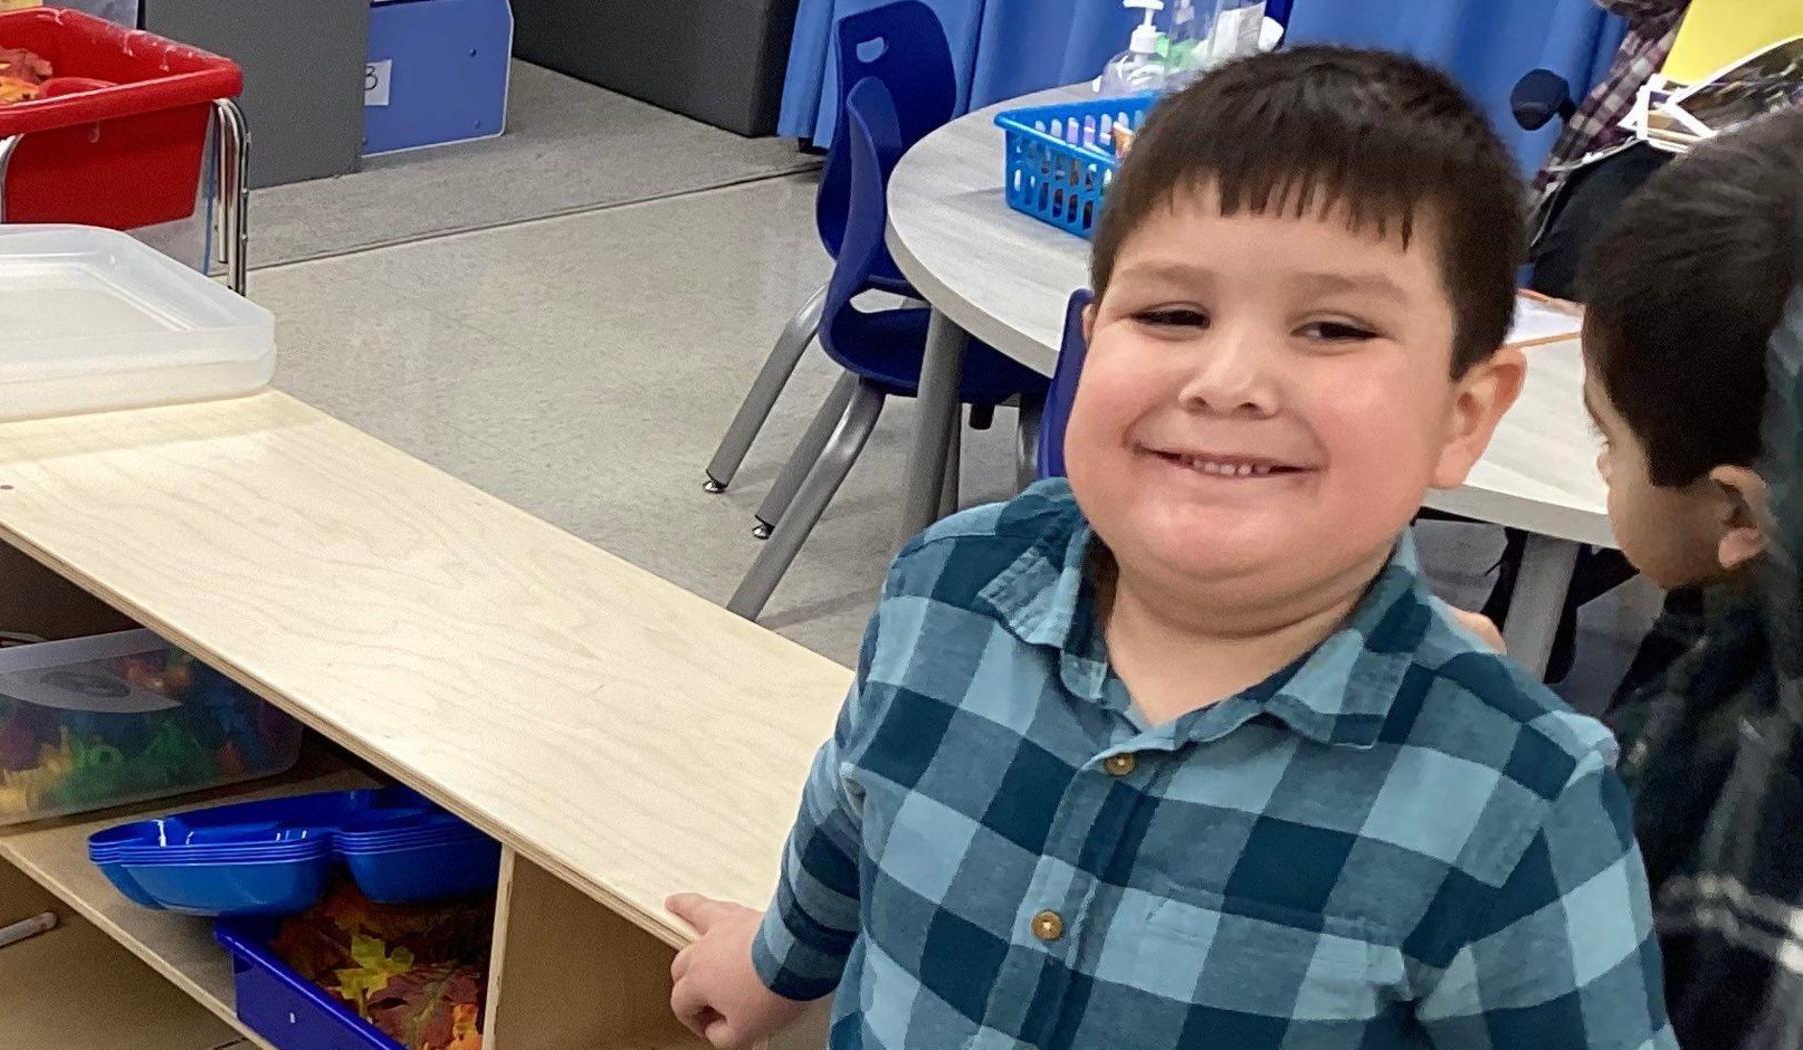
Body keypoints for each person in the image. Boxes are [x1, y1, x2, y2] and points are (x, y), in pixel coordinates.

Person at [665, 47, 1674, 1050]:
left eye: (1330, 328)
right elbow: (850, 811)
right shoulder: (948, 584)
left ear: (1461, 414)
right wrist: (776, 965)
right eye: (1173, 314)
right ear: (1090, 341)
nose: (1227, 379)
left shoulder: (1520, 800)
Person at [1576, 109, 1803, 1048]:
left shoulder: (1763, 846)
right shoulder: (1744, 617)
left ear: (1741, 515)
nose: (1599, 469)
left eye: (1606, 438)